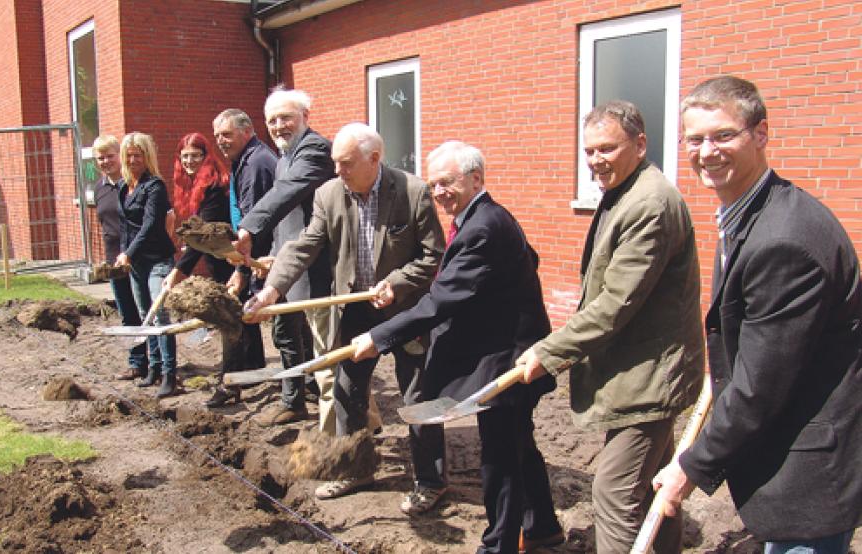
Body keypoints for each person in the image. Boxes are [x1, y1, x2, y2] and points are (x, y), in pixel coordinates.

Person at [652, 75, 861, 553]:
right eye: (695, 139)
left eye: (724, 135)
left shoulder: (784, 239)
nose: (707, 152)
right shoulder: (751, 214)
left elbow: (761, 385)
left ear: (760, 134)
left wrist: (691, 464)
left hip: (810, 471)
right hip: (790, 451)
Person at [351, 141, 562, 552]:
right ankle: (543, 529)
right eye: (433, 185)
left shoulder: (482, 227)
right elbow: (523, 264)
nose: (440, 192)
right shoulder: (487, 218)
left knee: (500, 459)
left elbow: (440, 301)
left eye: (447, 182)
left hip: (507, 360)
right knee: (519, 446)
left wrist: (379, 337)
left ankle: (498, 546)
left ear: (476, 178)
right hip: (509, 350)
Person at [514, 100, 705, 553]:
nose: (597, 160)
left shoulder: (649, 204)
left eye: (607, 148)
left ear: (640, 144)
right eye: (590, 151)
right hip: (642, 370)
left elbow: (615, 303)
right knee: (657, 488)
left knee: (614, 492)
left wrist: (550, 352)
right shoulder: (626, 192)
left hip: (652, 376)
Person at [243, 123, 447, 511]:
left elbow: (431, 255)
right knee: (347, 393)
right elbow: (304, 246)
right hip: (353, 310)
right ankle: (357, 469)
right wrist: (272, 290)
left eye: (346, 163)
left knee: (418, 395)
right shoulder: (329, 194)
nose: (338, 171)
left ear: (374, 159)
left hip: (405, 311)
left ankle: (431, 480)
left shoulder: (412, 191)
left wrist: (398, 282)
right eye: (335, 163)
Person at [232, 87, 334, 426]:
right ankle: (294, 401)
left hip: (318, 265)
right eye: (272, 120)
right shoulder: (285, 156)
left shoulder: (315, 150)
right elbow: (285, 215)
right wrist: (273, 255)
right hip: (287, 263)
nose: (279, 126)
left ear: (306, 117)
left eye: (286, 117)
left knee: (326, 347)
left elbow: (285, 194)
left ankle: (344, 417)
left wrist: (247, 228)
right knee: (285, 334)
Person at [161, 132, 256, 405]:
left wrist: (178, 272)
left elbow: (202, 239)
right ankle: (251, 372)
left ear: (206, 157)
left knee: (229, 321)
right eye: (185, 155)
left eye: (196, 155)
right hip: (220, 261)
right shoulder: (193, 186)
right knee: (242, 320)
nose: (190, 160)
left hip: (232, 261)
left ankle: (230, 385)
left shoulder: (213, 186)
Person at [198, 109, 275, 407]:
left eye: (226, 134)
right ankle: (259, 377)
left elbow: (258, 220)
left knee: (234, 318)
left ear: (247, 131)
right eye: (217, 136)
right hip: (255, 257)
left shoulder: (256, 164)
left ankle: (231, 384)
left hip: (264, 258)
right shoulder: (246, 160)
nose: (221, 141)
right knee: (279, 325)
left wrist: (245, 269)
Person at [114, 132, 178, 398]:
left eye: (137, 155)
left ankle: (169, 373)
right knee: (144, 315)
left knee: (159, 314)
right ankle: (153, 368)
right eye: (128, 155)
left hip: (157, 259)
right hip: (136, 262)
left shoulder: (154, 187)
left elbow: (151, 225)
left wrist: (128, 253)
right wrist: (125, 254)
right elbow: (126, 227)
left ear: (147, 156)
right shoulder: (123, 186)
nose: (132, 160)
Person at [92, 134, 148, 381]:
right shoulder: (100, 188)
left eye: (110, 156)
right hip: (114, 259)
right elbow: (104, 224)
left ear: (120, 156)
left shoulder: (133, 184)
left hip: (137, 256)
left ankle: (156, 363)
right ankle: (137, 362)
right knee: (127, 312)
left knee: (146, 309)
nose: (105, 162)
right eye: (100, 158)